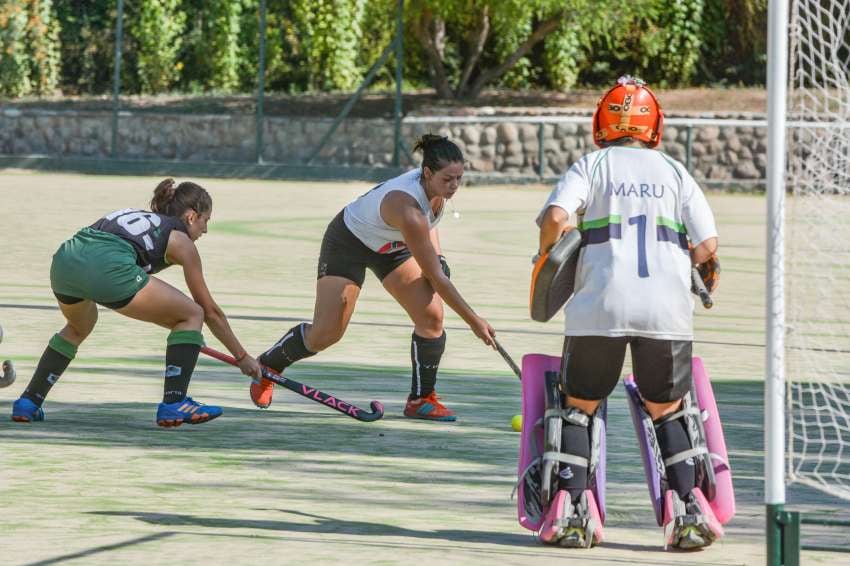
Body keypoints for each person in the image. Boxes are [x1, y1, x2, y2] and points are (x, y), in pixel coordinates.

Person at [535, 76, 721, 548]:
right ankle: (688, 512)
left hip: (600, 305)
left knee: (580, 405)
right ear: (653, 126)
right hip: (667, 309)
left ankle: (572, 514)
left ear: (602, 122)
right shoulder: (676, 171)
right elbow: (706, 246)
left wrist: (546, 257)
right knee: (667, 408)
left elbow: (557, 217)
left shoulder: (592, 165)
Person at [251, 134, 496, 421]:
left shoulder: (435, 193)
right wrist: (474, 321)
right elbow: (435, 273)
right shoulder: (407, 206)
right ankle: (268, 367)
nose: (454, 186)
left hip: (391, 247)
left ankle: (421, 400)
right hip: (349, 243)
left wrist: (438, 257)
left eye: (458, 178)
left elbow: (429, 228)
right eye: (447, 179)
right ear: (426, 173)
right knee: (326, 333)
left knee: (431, 318)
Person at [11, 179, 262, 427]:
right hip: (108, 266)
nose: (205, 230)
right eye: (206, 221)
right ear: (191, 217)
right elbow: (210, 312)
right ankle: (175, 402)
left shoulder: (142, 219)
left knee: (78, 327)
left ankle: (29, 401)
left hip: (65, 261)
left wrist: (186, 338)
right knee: (192, 315)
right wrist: (241, 357)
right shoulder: (182, 241)